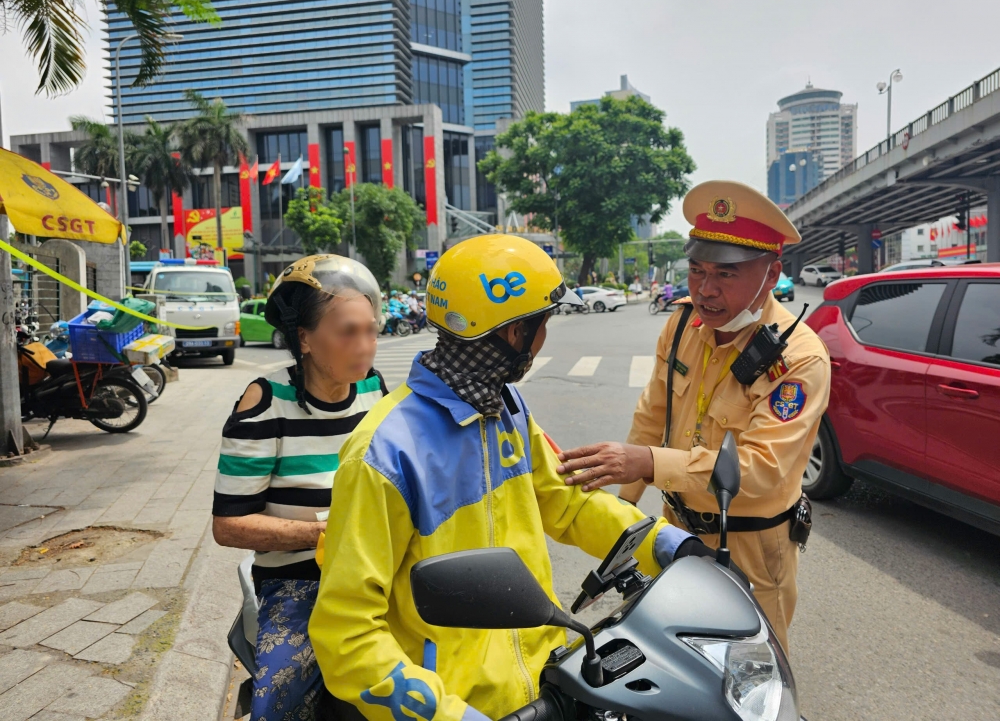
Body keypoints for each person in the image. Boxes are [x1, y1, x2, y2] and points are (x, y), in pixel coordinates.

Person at [309, 236, 728, 721]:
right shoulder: (383, 455)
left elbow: (566, 503)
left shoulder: (503, 409)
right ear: (514, 334)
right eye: (543, 324)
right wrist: (448, 715)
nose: (546, 335)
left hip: (542, 676)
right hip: (459, 703)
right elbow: (346, 632)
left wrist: (665, 544)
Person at [555, 180, 831, 652]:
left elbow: (762, 471)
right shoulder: (683, 324)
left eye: (726, 275)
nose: (705, 290)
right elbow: (652, 414)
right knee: (680, 655)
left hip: (750, 546)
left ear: (771, 274)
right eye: (697, 270)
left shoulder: (800, 359)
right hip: (675, 530)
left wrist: (648, 463)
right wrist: (624, 507)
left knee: (748, 669)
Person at [212, 255, 388, 720]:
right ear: (305, 338)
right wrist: (328, 533)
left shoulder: (375, 390)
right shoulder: (265, 402)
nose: (365, 345)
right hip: (300, 580)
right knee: (283, 695)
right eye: (348, 332)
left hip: (378, 573)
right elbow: (228, 526)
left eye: (371, 330)